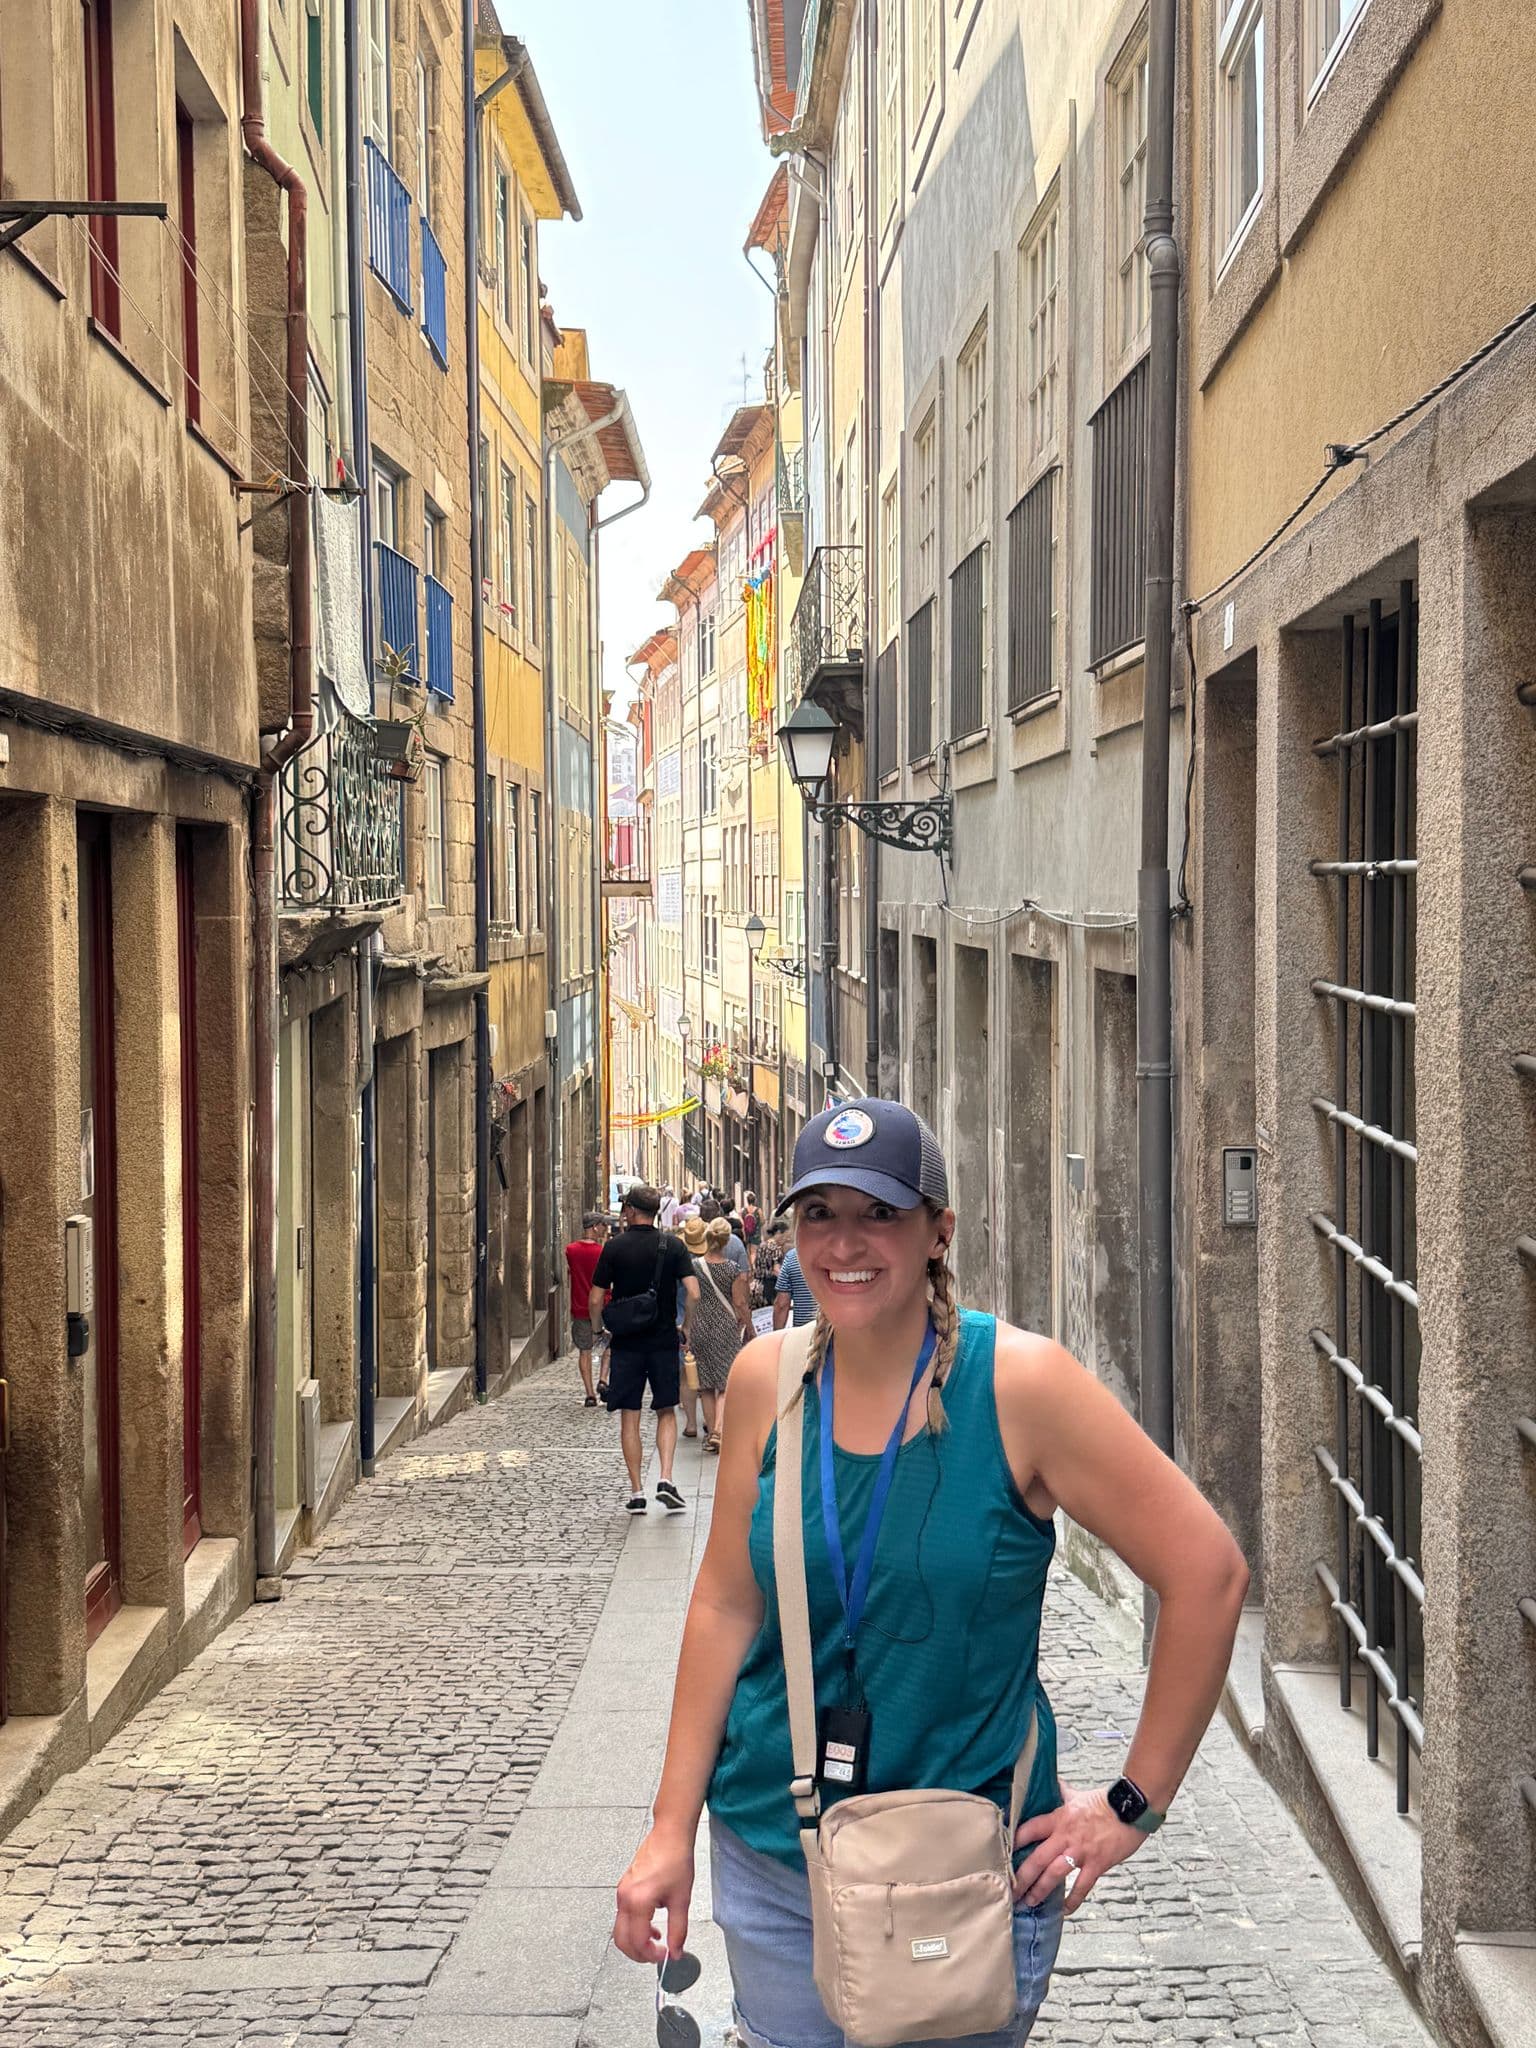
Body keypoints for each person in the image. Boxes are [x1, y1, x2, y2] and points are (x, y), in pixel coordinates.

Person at [612, 1098, 1248, 2046]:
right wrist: (668, 1831)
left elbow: (1208, 1573)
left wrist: (1131, 1805)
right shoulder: (763, 1381)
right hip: (776, 1854)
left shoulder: (1022, 1388)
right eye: (819, 1214)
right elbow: (723, 1606)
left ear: (938, 1232)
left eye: (880, 1213)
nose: (845, 1244)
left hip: (964, 1870)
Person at [590, 1186, 700, 1516]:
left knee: (630, 1417)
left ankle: (637, 1491)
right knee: (667, 1410)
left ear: (631, 1211)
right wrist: (685, 1326)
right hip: (663, 1340)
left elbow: (596, 1299)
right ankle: (665, 1477)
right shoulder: (673, 1246)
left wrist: (599, 1330)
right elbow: (693, 1292)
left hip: (626, 1344)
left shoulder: (614, 1247)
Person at [680, 1216, 751, 1455]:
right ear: (725, 1241)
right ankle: (719, 1430)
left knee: (706, 1386)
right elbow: (740, 1301)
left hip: (701, 1326)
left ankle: (711, 1434)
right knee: (726, 1382)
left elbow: (692, 1297)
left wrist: (687, 1326)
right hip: (725, 1327)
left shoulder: (696, 1266)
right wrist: (749, 1326)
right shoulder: (732, 1269)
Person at [564, 1213, 611, 1405]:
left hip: (580, 1306)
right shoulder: (602, 1252)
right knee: (609, 1346)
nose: (604, 1230)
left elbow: (570, 1272)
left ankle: (590, 1394)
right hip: (604, 1305)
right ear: (594, 1227)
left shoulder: (571, 1250)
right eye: (602, 1226)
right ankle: (603, 1380)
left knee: (585, 1350)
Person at [697, 1197, 749, 1282]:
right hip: (731, 1292)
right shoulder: (735, 1242)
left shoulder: (693, 1241)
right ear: (719, 1215)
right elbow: (744, 1276)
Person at [771, 1240, 817, 1328]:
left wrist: (778, 1334)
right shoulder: (841, 1255)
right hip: (838, 1332)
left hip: (803, 1329)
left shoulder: (792, 1257)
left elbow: (782, 1304)